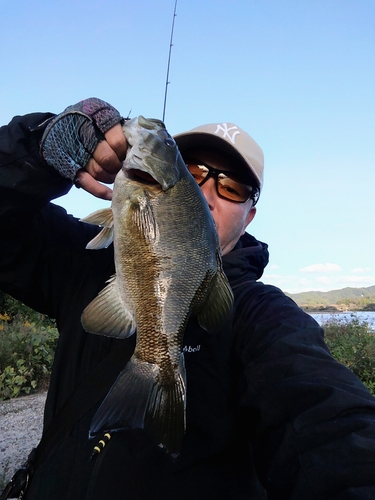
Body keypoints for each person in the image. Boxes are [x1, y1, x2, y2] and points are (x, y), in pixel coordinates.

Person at [1, 98, 375, 500]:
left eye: (232, 187)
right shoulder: (81, 262)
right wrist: (38, 147)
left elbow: (324, 413)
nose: (208, 193)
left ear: (249, 216)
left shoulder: (257, 315)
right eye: (193, 171)